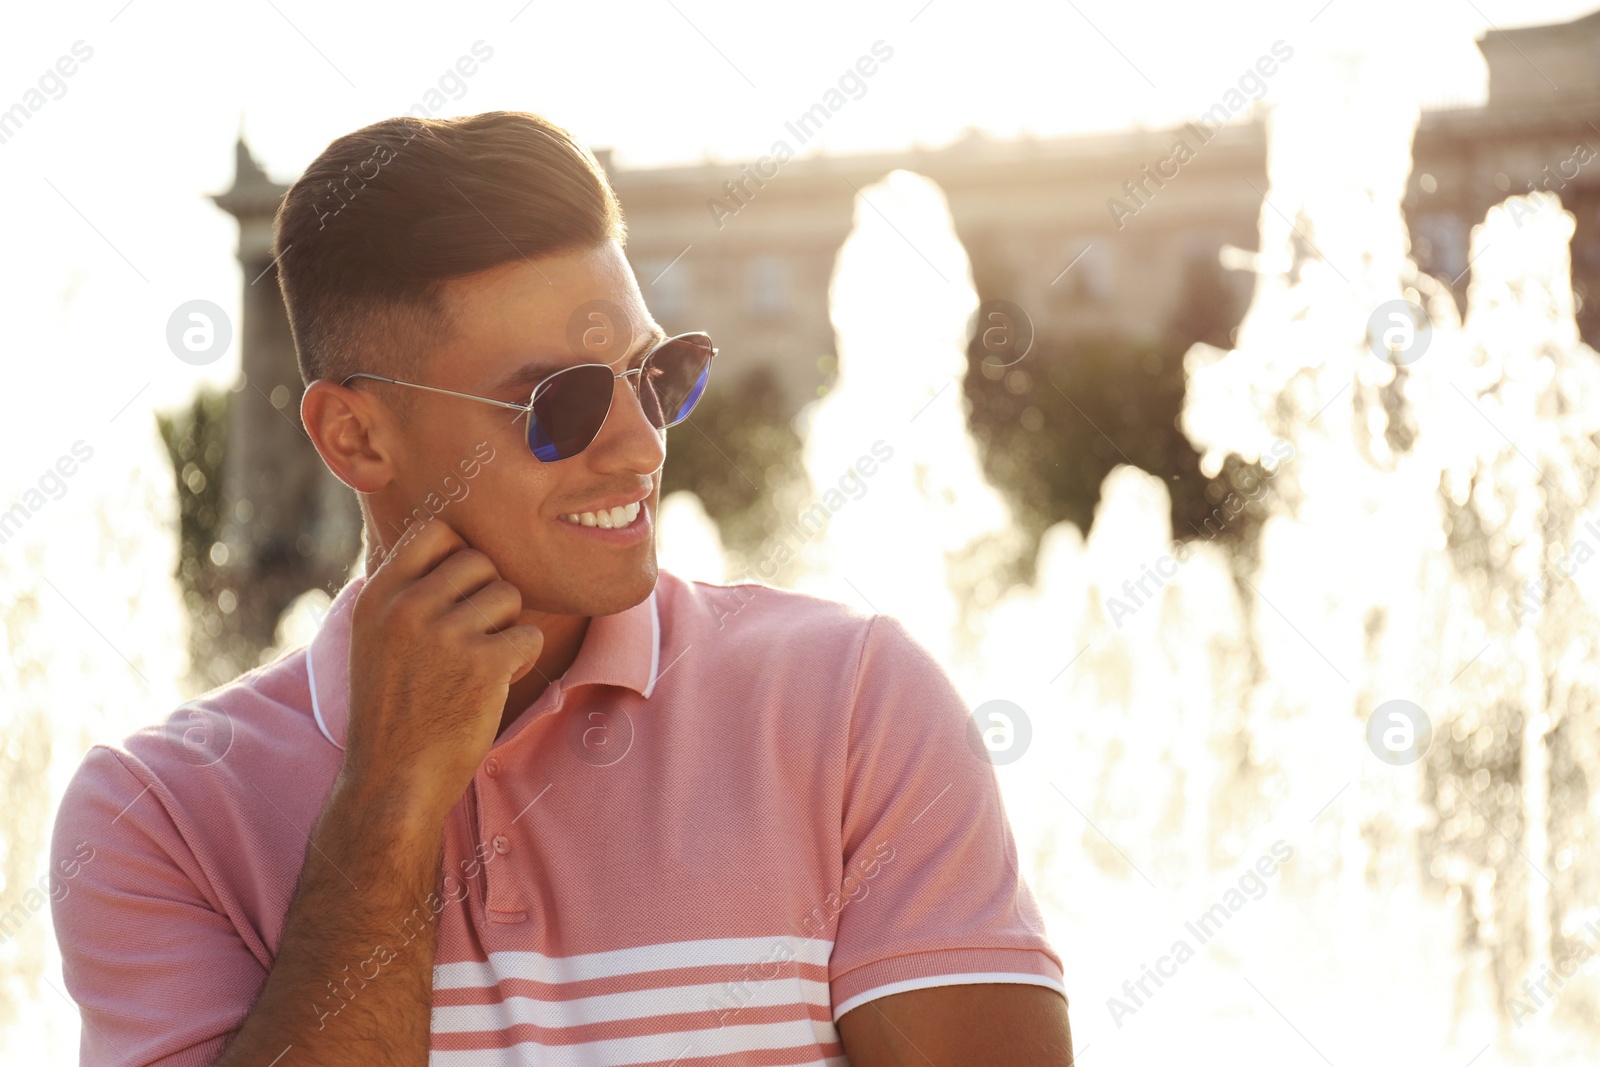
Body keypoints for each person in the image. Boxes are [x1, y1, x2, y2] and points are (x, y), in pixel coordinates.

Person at [49, 110, 1072, 1066]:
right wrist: (388, 801)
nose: (639, 443)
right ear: (354, 435)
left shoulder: (855, 703)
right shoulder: (156, 817)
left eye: (656, 373)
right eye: (561, 401)